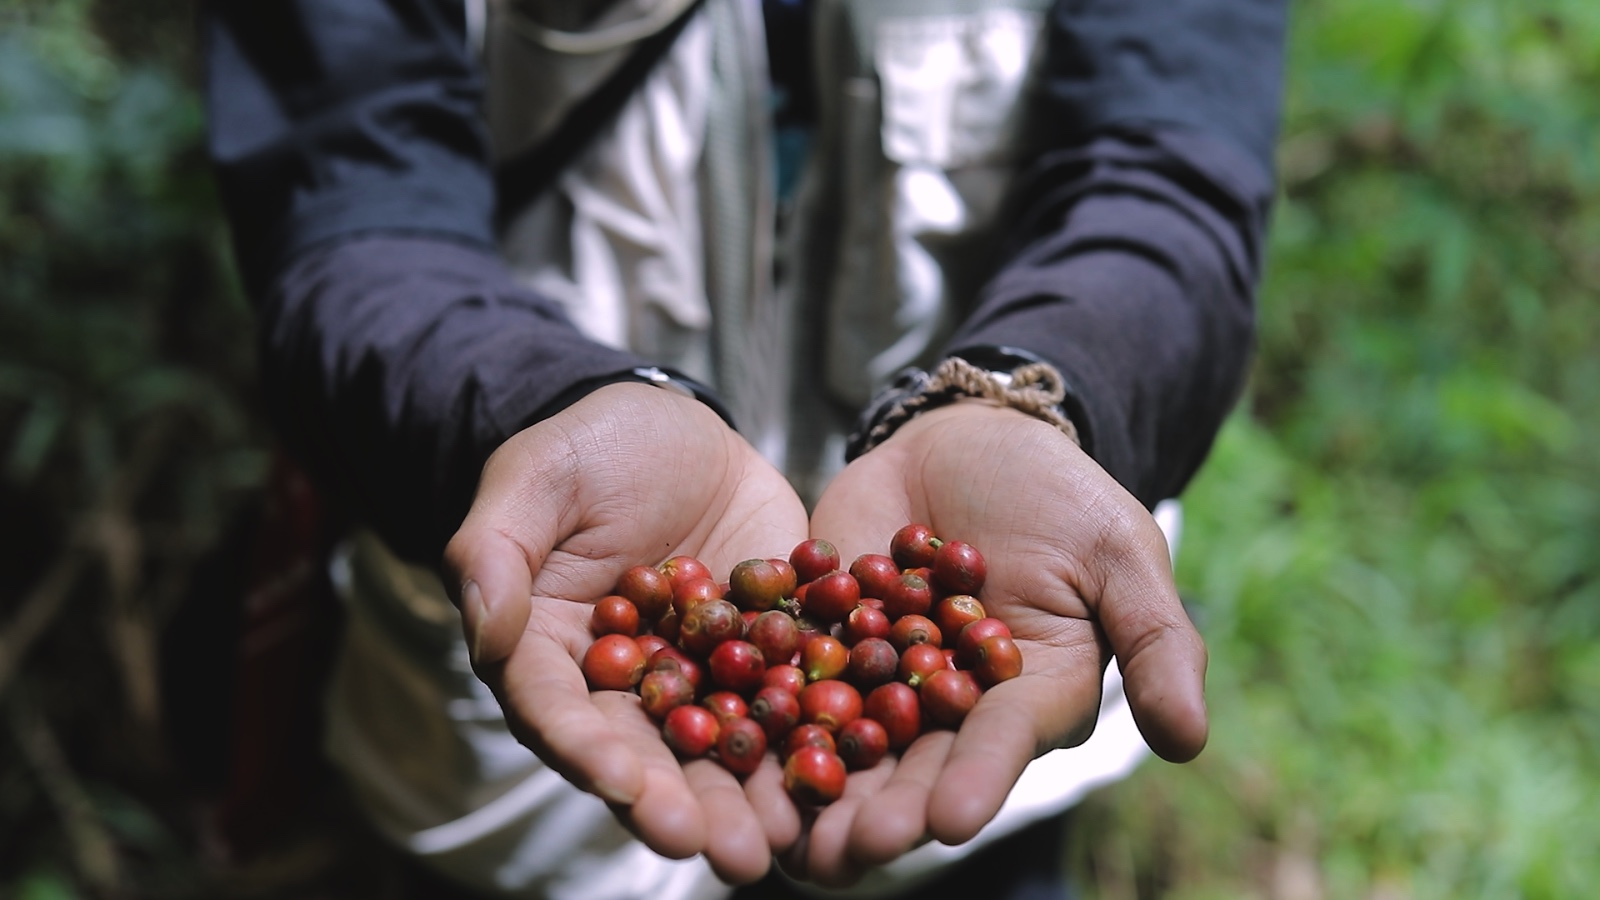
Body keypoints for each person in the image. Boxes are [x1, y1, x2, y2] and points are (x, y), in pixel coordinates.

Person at [204, 0, 1286, 896]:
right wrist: (527, 408)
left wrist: (1035, 394)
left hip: (990, 778)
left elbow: (1165, 176)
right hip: (517, 766)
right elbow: (348, 207)